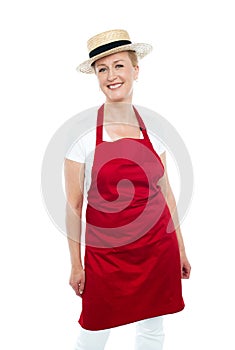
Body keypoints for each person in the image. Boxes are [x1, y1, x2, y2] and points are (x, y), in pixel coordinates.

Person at [64, 29, 191, 350]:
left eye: (119, 65)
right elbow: (74, 206)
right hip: (107, 256)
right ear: (96, 77)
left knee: (152, 327)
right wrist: (76, 264)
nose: (111, 75)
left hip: (156, 248)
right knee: (93, 331)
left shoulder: (155, 128)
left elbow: (167, 193)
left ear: (136, 70)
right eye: (102, 69)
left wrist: (180, 248)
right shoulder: (81, 134)